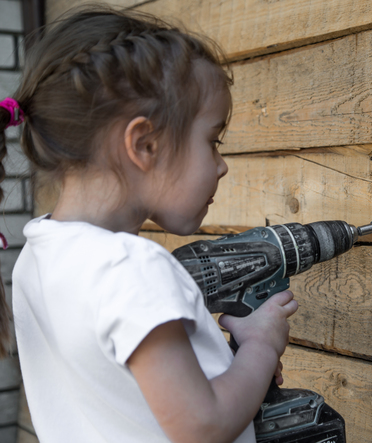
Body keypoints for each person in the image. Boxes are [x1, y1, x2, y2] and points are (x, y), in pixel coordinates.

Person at [0, 7, 298, 443]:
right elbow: (204, 425)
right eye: (212, 142)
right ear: (145, 144)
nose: (222, 167)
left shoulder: (36, 259)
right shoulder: (129, 266)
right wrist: (261, 346)